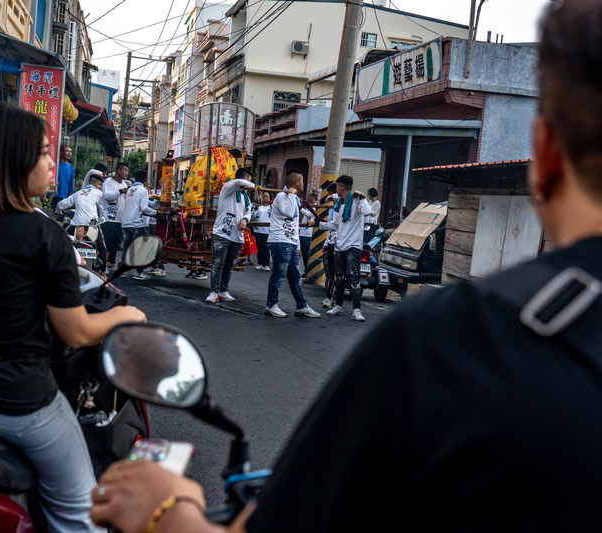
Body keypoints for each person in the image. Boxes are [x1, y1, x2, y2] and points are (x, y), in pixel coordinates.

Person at [89, 2, 602, 531]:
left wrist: (168, 510)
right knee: (297, 278)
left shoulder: (452, 341)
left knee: (299, 277)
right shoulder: (280, 207)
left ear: (541, 150)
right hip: (301, 247)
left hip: (301, 251)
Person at [0, 102, 146, 533]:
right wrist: (126, 318)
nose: (53, 162)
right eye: (43, 152)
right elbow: (75, 330)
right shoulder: (42, 235)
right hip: (15, 402)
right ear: (12, 159)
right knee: (79, 507)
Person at [264, 171, 320, 318]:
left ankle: (301, 305)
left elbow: (295, 225)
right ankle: (271, 304)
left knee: (295, 275)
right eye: (302, 181)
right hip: (280, 240)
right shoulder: (283, 196)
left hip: (291, 242)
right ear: (296, 182)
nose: (303, 184)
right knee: (279, 274)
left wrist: (298, 245)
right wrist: (292, 194)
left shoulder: (293, 197)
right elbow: (290, 214)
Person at [316, 175, 372, 322]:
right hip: (339, 246)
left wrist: (362, 196)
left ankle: (357, 310)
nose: (336, 192)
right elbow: (335, 225)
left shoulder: (357, 202)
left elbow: (368, 211)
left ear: (341, 188)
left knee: (354, 279)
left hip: (353, 246)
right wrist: (319, 224)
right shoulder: (339, 204)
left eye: (337, 188)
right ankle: (339, 306)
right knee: (339, 277)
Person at [203, 168, 256, 303]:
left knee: (229, 264)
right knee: (217, 263)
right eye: (248, 180)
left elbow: (248, 212)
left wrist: (245, 219)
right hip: (222, 233)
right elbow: (240, 182)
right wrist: (249, 184)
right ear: (242, 180)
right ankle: (214, 291)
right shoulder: (228, 187)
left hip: (237, 235)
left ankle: (223, 290)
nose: (249, 184)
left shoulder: (246, 197)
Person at [57, 173, 108, 271]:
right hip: (92, 227)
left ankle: (61, 267)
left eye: (101, 185)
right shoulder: (99, 193)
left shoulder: (78, 193)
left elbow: (62, 203)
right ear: (92, 183)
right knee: (102, 248)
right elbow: (102, 209)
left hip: (76, 227)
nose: (100, 187)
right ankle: (103, 273)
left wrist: (58, 210)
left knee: (63, 241)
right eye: (99, 184)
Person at [121, 170, 157, 281]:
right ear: (146, 180)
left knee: (127, 246)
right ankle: (139, 272)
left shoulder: (130, 189)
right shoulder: (143, 190)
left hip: (125, 222)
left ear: (135, 179)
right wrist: (156, 213)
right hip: (136, 223)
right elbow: (143, 208)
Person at [102, 163, 129, 275]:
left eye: (128, 171)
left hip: (119, 219)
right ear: (118, 171)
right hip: (109, 218)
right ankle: (103, 265)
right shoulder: (108, 182)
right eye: (125, 170)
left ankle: (111, 263)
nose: (127, 173)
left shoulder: (123, 184)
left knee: (115, 243)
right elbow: (106, 196)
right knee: (107, 243)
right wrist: (120, 191)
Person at [320, 183, 339, 309]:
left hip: (340, 243)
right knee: (333, 271)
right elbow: (331, 226)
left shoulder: (340, 205)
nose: (327, 197)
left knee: (336, 272)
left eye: (328, 194)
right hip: (333, 241)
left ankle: (333, 299)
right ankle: (331, 298)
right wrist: (326, 242)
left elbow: (333, 226)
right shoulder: (334, 205)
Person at [252, 192, 272, 271]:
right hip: (258, 230)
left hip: (267, 231)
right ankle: (260, 263)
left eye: (267, 196)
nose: (265, 198)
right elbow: (253, 216)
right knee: (259, 247)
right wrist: (255, 208)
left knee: (266, 248)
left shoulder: (271, 207)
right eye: (264, 196)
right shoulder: (258, 207)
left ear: (269, 198)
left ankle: (266, 264)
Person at [299, 193, 316, 279]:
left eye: (309, 195)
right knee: (304, 254)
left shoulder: (316, 206)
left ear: (314, 197)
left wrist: (300, 206)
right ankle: (306, 271)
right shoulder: (309, 206)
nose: (307, 196)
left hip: (308, 234)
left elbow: (309, 214)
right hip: (303, 233)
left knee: (306, 254)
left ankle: (308, 271)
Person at [53, 145, 75, 212]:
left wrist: (71, 200)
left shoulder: (71, 168)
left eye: (70, 152)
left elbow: (71, 184)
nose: (69, 153)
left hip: (64, 198)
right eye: (67, 151)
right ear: (61, 152)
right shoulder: (55, 164)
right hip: (53, 196)